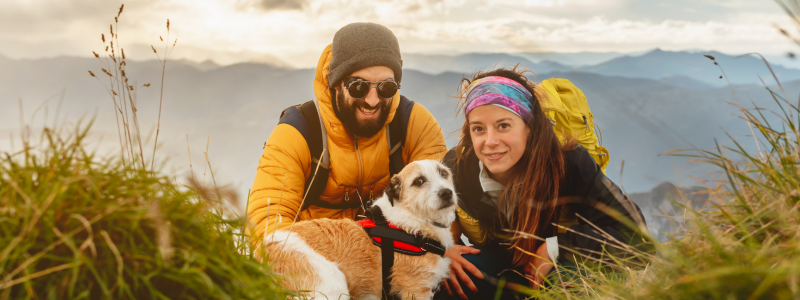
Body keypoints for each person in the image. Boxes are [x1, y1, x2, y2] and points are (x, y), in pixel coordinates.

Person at [440, 66, 651, 299]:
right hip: (502, 267)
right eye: (478, 129)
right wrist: (440, 250)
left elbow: (638, 239)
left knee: (572, 281)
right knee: (445, 275)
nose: (490, 141)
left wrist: (557, 248)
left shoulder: (569, 162)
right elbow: (418, 221)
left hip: (559, 269)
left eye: (503, 126)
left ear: (529, 128)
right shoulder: (456, 167)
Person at [247, 23, 447, 249]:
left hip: (398, 257)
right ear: (335, 84)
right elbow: (266, 227)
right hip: (314, 262)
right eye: (358, 86)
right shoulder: (297, 133)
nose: (372, 100)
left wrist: (437, 251)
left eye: (386, 87)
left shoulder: (414, 123)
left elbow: (444, 205)